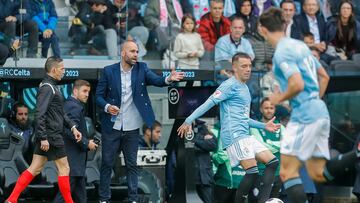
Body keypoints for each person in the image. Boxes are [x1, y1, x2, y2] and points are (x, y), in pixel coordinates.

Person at [258, 7, 360, 203]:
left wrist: (278, 99)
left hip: (305, 115)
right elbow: (324, 76)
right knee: (318, 173)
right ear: (284, 24)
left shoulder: (281, 53)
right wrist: (313, 101)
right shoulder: (299, 45)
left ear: (263, 29)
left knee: (287, 172)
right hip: (320, 111)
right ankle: (355, 153)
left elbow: (297, 84)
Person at [177, 52, 280, 203]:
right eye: (244, 66)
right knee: (252, 171)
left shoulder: (244, 88)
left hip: (245, 135)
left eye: (250, 66)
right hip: (234, 136)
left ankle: (264, 201)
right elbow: (209, 102)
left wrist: (264, 126)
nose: (248, 69)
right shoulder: (228, 85)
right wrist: (188, 120)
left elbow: (244, 118)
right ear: (234, 67)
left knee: (272, 162)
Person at [95, 40, 184, 203]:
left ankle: (133, 199)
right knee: (107, 163)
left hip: (132, 126)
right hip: (112, 126)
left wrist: (168, 79)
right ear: (123, 53)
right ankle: (103, 199)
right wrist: (108, 107)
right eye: (132, 51)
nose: (136, 54)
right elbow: (98, 96)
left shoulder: (142, 68)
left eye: (137, 51)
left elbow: (156, 80)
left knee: (132, 165)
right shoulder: (108, 71)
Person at [5, 56, 82, 203]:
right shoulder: (47, 87)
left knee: (34, 169)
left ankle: (11, 199)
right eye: (62, 69)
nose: (64, 71)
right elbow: (40, 113)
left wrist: (73, 127)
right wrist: (43, 137)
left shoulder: (51, 86)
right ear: (54, 70)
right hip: (52, 136)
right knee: (64, 169)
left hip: (48, 136)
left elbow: (60, 113)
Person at [53, 79, 98, 203]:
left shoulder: (72, 105)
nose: (87, 94)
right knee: (63, 197)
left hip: (76, 164)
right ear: (75, 91)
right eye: (84, 91)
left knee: (80, 198)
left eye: (88, 92)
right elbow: (68, 131)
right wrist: (86, 143)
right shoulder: (73, 107)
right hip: (72, 162)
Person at [250, 97, 284, 200]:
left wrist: (269, 144)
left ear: (275, 109)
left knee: (274, 200)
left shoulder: (281, 127)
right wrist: (278, 145)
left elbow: (287, 146)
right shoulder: (255, 127)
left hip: (278, 174)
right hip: (261, 172)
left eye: (271, 108)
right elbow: (260, 147)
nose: (269, 110)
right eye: (266, 108)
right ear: (261, 109)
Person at [192, 119, 218, 203]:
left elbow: (213, 144)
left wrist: (195, 141)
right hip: (191, 178)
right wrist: (202, 140)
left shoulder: (202, 127)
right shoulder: (181, 129)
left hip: (205, 178)